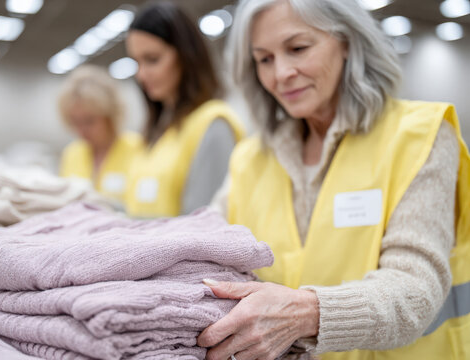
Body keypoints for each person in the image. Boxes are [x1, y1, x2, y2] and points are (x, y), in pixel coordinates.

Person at [198, 0, 470, 359]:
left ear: (347, 41)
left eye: (298, 48)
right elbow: (204, 246)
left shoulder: (420, 136)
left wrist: (306, 313)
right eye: (264, 59)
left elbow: (415, 289)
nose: (281, 73)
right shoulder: (250, 158)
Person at [123, 1, 244, 218]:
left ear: (186, 56)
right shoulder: (157, 131)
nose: (141, 75)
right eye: (137, 62)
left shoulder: (214, 124)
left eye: (152, 60)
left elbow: (203, 228)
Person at [59, 64, 142, 210]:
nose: (81, 130)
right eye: (75, 122)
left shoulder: (139, 149)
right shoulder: (72, 153)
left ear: (110, 116)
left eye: (89, 121)